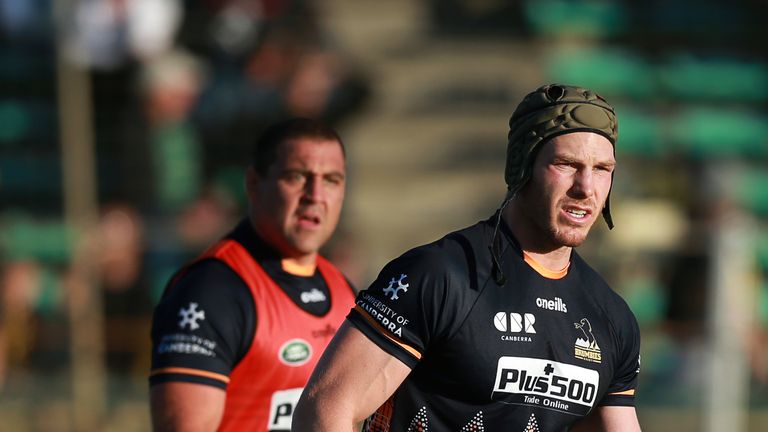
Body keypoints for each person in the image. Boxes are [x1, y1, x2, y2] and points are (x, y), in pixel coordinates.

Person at [293, 84, 642, 431]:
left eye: (602, 169)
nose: (586, 188)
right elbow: (323, 409)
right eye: (566, 164)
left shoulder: (612, 317)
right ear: (522, 165)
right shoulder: (439, 276)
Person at [149, 118, 356, 431]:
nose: (315, 195)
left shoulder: (343, 291)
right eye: (297, 177)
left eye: (331, 180)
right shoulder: (210, 292)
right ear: (254, 184)